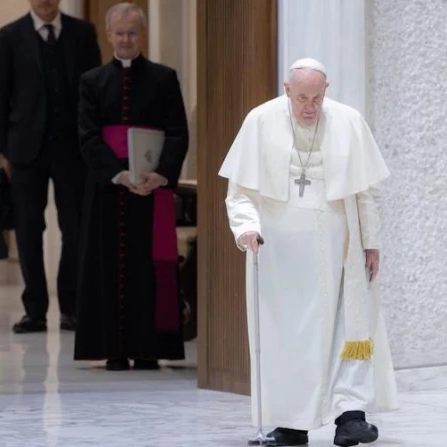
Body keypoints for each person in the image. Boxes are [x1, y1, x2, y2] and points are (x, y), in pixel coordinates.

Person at [219, 58, 399, 446]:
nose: (309, 107)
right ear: (287, 90)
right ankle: (290, 425)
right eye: (301, 98)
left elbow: (366, 191)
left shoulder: (348, 122)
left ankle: (350, 417)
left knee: (348, 327)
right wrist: (246, 228)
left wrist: (371, 242)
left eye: (316, 98)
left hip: (341, 250)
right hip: (282, 256)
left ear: (326, 90)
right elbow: (241, 192)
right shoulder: (260, 121)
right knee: (289, 337)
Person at [73, 2, 189, 372]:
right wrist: (119, 174)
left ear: (142, 35)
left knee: (148, 270)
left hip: (151, 191)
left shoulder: (164, 78)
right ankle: (113, 349)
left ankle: (148, 348)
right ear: (109, 35)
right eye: (120, 33)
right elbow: (88, 137)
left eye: (132, 33)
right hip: (107, 190)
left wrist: (161, 175)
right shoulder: (91, 82)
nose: (126, 39)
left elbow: (177, 133)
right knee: (107, 266)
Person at [0, 0, 102, 333]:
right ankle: (35, 310)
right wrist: (5, 149)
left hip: (73, 149)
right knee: (28, 229)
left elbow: (95, 90)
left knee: (75, 229)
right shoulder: (10, 36)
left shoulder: (83, 33)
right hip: (25, 151)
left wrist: (92, 142)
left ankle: (71, 307)